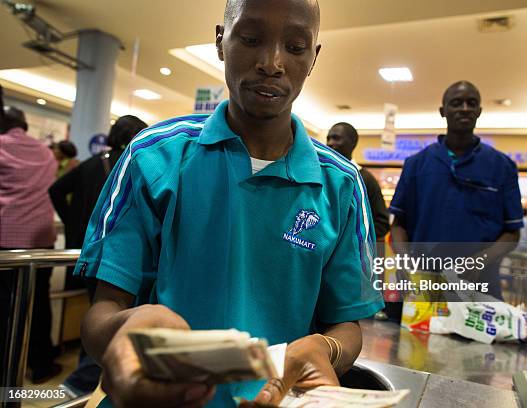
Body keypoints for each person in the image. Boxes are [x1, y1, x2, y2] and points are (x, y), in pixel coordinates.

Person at [75, 1, 383, 407]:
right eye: (252, 39)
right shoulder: (153, 157)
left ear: (314, 58)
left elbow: (346, 321)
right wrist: (126, 328)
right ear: (221, 40)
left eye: (295, 47)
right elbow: (104, 308)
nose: (272, 63)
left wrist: (328, 349)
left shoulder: (342, 185)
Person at [389, 81, 523, 300]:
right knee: (418, 335)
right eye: (456, 103)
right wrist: (405, 261)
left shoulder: (502, 166)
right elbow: (398, 226)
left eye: (471, 103)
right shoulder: (416, 165)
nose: (464, 108)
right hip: (424, 285)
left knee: (476, 335)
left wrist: (479, 260)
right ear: (443, 111)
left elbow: (512, 233)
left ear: (479, 111)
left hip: (479, 287)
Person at [49, 115, 147, 397]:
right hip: (117, 254)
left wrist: (72, 222)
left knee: (96, 308)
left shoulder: (92, 162)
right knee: (112, 311)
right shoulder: (138, 161)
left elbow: (56, 189)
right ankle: (82, 383)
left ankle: (83, 377)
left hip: (86, 249)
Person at [0, 105, 61, 383]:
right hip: (40, 241)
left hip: (5, 240)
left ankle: (6, 370)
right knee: (37, 303)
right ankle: (42, 364)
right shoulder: (46, 153)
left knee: (4, 306)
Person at [326, 122, 389, 241]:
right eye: (328, 138)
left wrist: (349, 239)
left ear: (352, 143)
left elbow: (382, 224)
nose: (329, 143)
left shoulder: (365, 179)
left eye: (336, 138)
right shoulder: (323, 175)